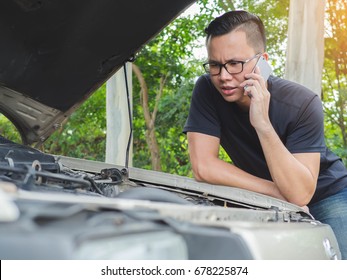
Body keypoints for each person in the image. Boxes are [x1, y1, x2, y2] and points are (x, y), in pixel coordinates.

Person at [183, 10, 347, 259]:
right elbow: (203, 167)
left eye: (235, 64)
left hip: (326, 193)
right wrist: (274, 191)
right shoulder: (207, 89)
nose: (224, 76)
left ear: (262, 61)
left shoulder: (303, 102)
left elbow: (301, 193)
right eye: (215, 65)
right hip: (267, 193)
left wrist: (262, 124)